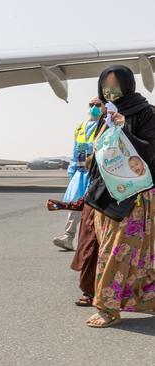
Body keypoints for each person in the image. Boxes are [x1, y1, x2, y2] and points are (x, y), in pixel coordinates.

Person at [85, 65, 155, 328]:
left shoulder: (145, 113)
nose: (109, 92)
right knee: (123, 251)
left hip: (135, 196)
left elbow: (149, 152)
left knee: (118, 252)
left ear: (127, 86)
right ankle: (147, 299)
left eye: (115, 86)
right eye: (105, 87)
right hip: (107, 195)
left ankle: (107, 308)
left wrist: (125, 128)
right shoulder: (105, 116)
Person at [52, 98, 106, 250]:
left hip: (98, 172)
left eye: (97, 105)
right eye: (91, 105)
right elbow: (75, 150)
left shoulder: (105, 125)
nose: (94, 107)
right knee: (75, 203)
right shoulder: (80, 127)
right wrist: (72, 168)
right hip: (82, 171)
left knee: (96, 207)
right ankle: (68, 236)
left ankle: (98, 241)